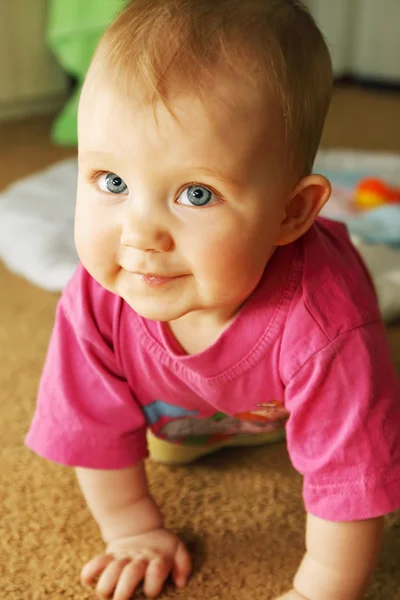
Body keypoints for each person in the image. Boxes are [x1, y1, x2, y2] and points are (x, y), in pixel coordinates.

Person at [25, 0, 400, 598]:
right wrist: (132, 530)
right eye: (112, 183)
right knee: (164, 444)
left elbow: (355, 475)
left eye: (196, 194)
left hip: (287, 386)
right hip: (186, 411)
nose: (141, 234)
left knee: (358, 418)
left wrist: (319, 590)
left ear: (291, 211)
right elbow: (88, 425)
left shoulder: (325, 321)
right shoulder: (97, 298)